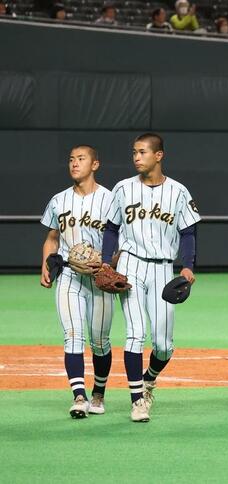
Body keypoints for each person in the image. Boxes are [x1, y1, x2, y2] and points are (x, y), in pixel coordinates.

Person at [101, 133, 200, 421]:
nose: (136, 157)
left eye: (142, 152)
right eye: (134, 152)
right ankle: (136, 400)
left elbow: (188, 231)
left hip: (163, 269)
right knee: (135, 333)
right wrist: (108, 263)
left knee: (164, 344)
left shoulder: (179, 192)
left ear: (158, 156)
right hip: (131, 265)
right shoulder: (122, 188)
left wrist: (188, 265)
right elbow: (110, 228)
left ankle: (149, 380)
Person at [40, 145, 115, 418]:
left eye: (81, 159)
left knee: (100, 341)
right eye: (71, 159)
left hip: (99, 278)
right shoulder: (59, 200)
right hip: (69, 275)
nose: (74, 164)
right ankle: (79, 396)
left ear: (95, 164)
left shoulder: (110, 199)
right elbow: (51, 238)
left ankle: (98, 393)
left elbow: (121, 238)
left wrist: (110, 262)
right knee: (73, 336)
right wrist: (45, 265)